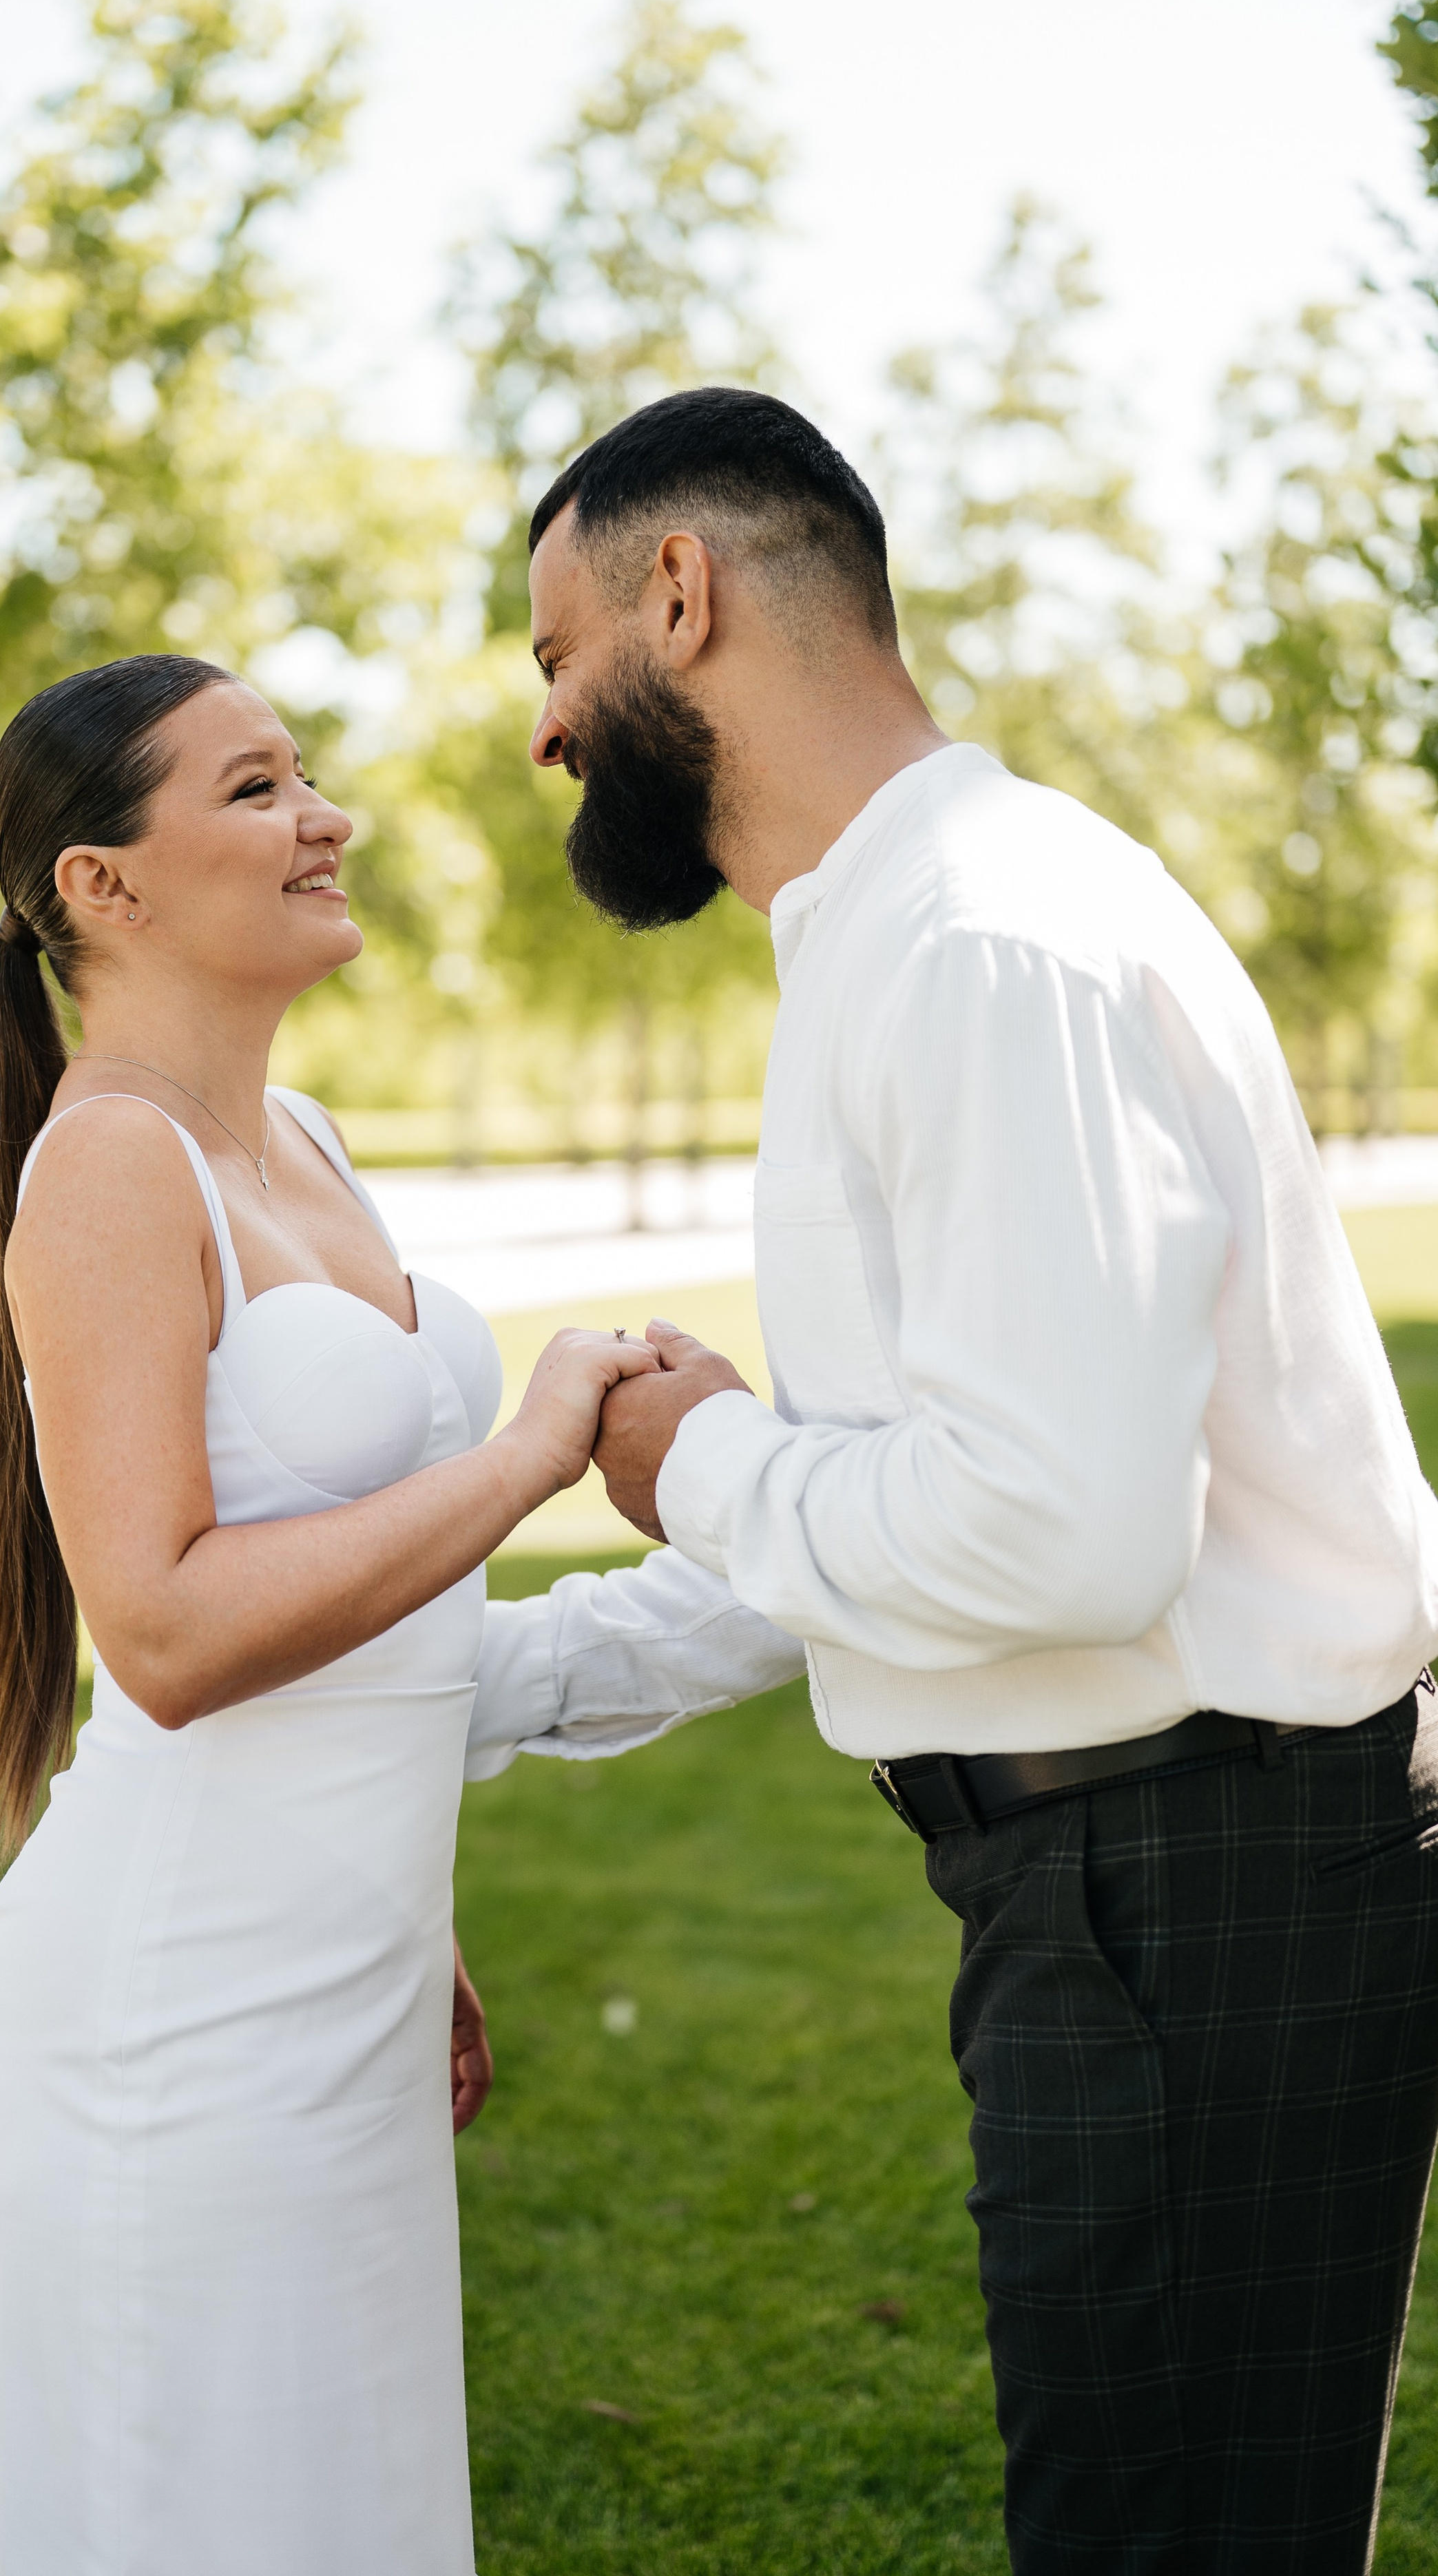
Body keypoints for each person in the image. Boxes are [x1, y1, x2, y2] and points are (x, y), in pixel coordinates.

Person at [466, 386, 1438, 2575]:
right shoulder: (897, 929)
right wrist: (464, 1688)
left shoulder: (982, 941)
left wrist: (703, 1456)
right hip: (1127, 1882)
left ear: (681, 593)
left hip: (1191, 1883)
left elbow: (1061, 1540)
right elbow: (920, 1511)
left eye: (555, 655)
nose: (544, 729)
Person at [0, 651, 666, 2576]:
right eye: (256, 789)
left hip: (349, 2000)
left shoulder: (313, 1141)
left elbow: (374, 1631)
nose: (326, 817)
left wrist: (403, 1909)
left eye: (307, 774)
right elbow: (168, 1634)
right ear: (102, 884)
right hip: (171, 2030)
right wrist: (532, 1457)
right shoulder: (110, 1166)